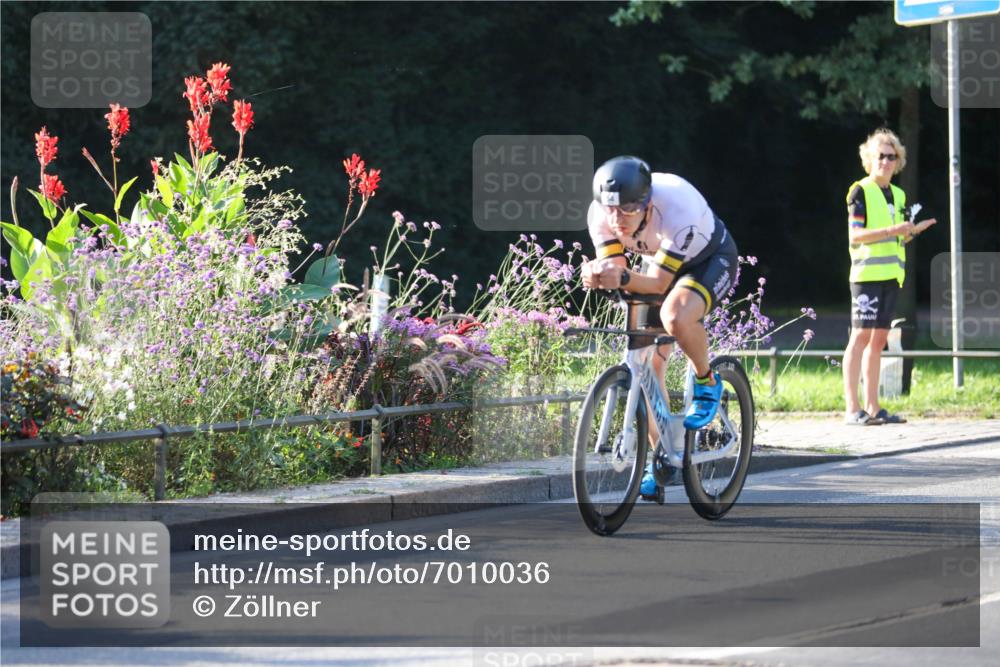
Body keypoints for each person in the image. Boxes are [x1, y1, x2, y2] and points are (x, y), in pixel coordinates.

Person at [581, 155, 738, 498]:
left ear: (647, 204)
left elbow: (657, 283)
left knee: (675, 316)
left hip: (708, 261)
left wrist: (620, 275)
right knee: (646, 364)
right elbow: (620, 272)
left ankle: (707, 381)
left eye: (626, 211)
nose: (616, 220)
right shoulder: (601, 215)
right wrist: (599, 274)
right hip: (658, 265)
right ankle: (662, 457)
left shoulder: (677, 204)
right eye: (610, 210)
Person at [842, 129, 936, 425]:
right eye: (880, 156)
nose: (885, 161)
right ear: (869, 159)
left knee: (879, 340)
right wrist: (893, 231)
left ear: (899, 162)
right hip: (866, 274)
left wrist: (910, 233)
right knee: (860, 337)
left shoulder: (898, 194)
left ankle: (873, 407)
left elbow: (897, 237)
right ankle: (851, 409)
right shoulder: (860, 191)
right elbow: (856, 235)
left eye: (891, 156)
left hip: (890, 276)